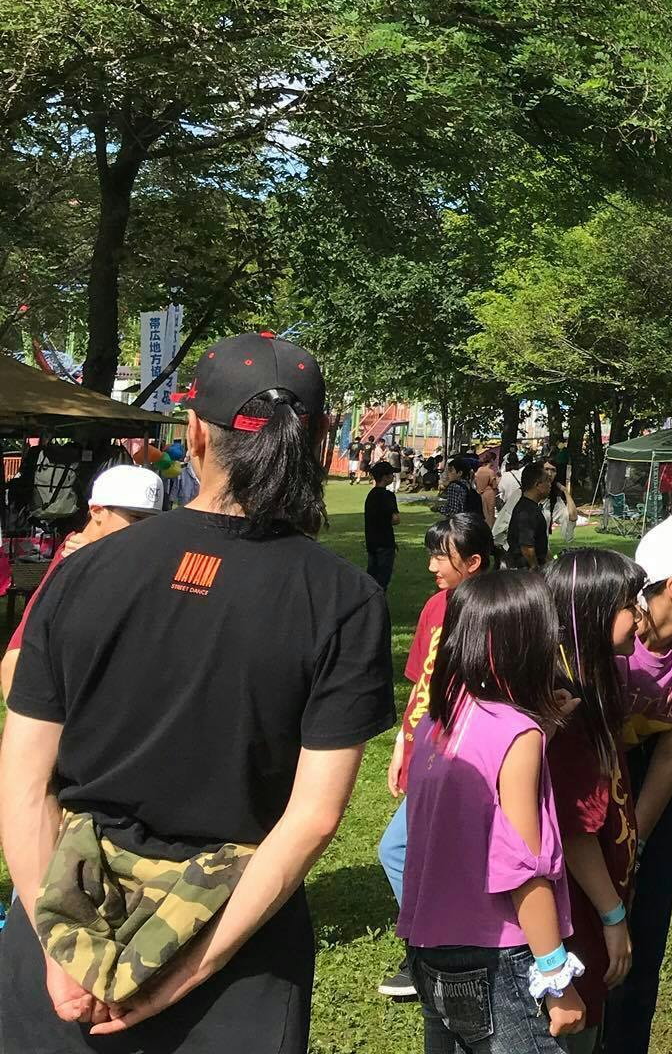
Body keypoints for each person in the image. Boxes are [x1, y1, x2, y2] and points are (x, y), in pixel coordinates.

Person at [0, 332, 392, 1050]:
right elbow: (312, 818)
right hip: (236, 953)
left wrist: (59, 948)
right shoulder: (344, 600)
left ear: (194, 436)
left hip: (65, 927)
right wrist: (185, 971)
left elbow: (22, 783)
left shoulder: (83, 571)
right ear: (318, 440)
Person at [400, 569, 585, 1050]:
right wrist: (556, 978)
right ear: (527, 646)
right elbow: (522, 869)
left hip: (429, 952)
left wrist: (543, 730)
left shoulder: (438, 721)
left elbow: (480, 789)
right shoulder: (518, 736)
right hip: (498, 962)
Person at [606, 517, 672, 1054]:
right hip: (597, 782)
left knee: (643, 939)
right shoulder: (615, 638)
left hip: (654, 793)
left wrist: (638, 842)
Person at [374, 514, 496, 1003]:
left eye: (441, 557)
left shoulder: (491, 611)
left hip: (460, 759)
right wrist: (401, 744)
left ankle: (433, 949)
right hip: (424, 749)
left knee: (401, 849)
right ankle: (437, 947)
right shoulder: (434, 606)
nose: (431, 567)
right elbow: (420, 683)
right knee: (410, 851)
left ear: (474, 562)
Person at [544, 549, 651, 1050]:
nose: (641, 617)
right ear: (591, 613)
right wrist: (613, 915)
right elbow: (574, 830)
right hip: (573, 916)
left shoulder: (595, 682)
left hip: (591, 906)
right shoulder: (565, 706)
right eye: (630, 605)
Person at [0, 464, 164, 700]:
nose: (145, 530)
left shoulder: (113, 554)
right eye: (135, 518)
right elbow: (21, 652)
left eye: (152, 521)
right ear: (96, 511)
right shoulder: (74, 558)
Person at [507, 461, 554, 569]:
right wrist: (534, 568)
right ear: (538, 485)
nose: (550, 485)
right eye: (547, 481)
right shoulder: (527, 511)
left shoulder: (530, 507)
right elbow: (526, 546)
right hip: (523, 571)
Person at [363, 460, 400, 590]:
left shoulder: (371, 495)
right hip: (385, 541)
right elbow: (395, 519)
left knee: (372, 574)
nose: (393, 476)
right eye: (391, 474)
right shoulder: (388, 495)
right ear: (385, 477)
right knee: (383, 578)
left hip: (371, 540)